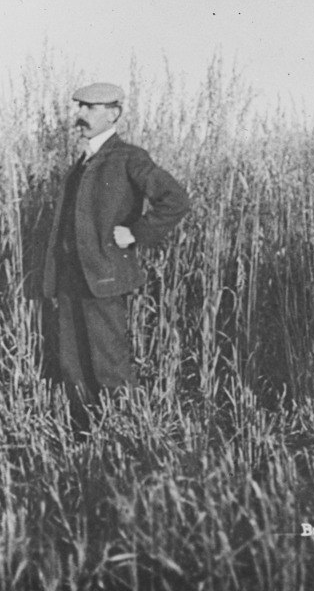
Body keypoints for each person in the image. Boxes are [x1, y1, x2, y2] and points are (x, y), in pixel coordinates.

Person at [43, 82, 190, 428]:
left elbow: (176, 200)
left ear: (114, 114)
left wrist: (137, 233)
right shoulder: (83, 161)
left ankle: (124, 434)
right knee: (74, 364)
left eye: (90, 108)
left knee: (109, 364)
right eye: (79, 107)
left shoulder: (128, 157)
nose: (80, 115)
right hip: (71, 277)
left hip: (104, 276)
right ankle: (84, 436)